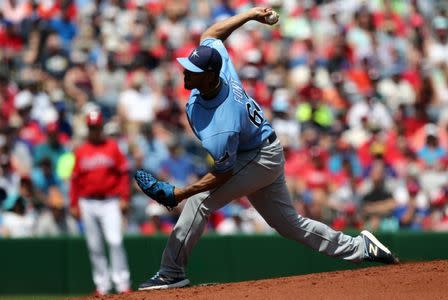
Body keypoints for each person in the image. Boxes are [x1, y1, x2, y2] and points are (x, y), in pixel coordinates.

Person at [135, 7, 399, 290]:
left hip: (258, 157)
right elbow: (211, 34)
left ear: (210, 76)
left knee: (199, 203)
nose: (186, 73)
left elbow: (222, 174)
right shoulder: (218, 64)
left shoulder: (224, 124)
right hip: (262, 149)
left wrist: (179, 194)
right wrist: (249, 14)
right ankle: (361, 247)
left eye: (194, 71)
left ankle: (171, 271)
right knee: (290, 225)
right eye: (187, 67)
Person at [69, 110, 131, 295]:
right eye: (91, 128)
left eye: (97, 127)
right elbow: (74, 181)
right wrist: (73, 203)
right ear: (88, 129)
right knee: (94, 245)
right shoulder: (81, 151)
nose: (94, 131)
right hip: (87, 202)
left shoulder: (112, 147)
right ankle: (102, 286)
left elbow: (123, 174)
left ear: (102, 127)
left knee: (115, 241)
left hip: (110, 201)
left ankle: (122, 284)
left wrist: (124, 197)